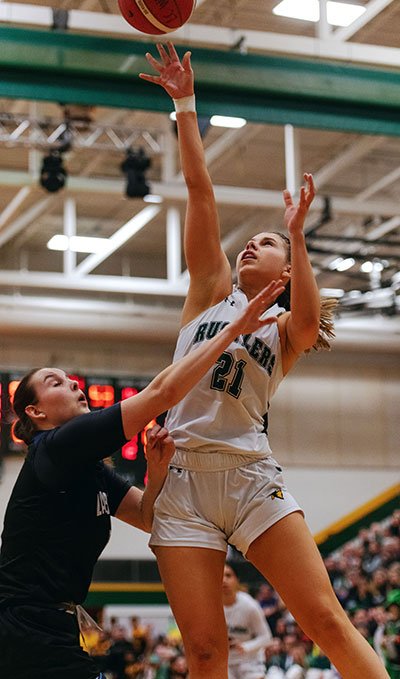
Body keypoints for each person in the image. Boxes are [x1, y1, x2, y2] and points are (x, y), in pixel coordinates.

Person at [139, 42, 390, 679]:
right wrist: (185, 106)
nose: (252, 244)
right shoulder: (207, 294)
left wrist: (299, 232)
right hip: (185, 481)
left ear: (286, 266)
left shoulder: (284, 328)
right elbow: (200, 192)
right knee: (204, 651)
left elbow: (308, 318)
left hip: (251, 475)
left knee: (328, 621)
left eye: (268, 243)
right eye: (251, 241)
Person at [0, 284, 283, 679]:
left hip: (49, 626)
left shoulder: (89, 470)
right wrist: (232, 331)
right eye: (56, 383)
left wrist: (157, 472)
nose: (74, 384)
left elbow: (149, 516)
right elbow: (162, 392)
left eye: (70, 379)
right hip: (22, 626)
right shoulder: (56, 446)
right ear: (36, 410)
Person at [222, 562, 272, 679]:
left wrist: (245, 646)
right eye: (220, 576)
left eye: (228, 576)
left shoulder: (250, 605)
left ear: (237, 580)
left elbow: (266, 637)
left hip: (249, 660)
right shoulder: (210, 607)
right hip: (225, 663)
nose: (224, 580)